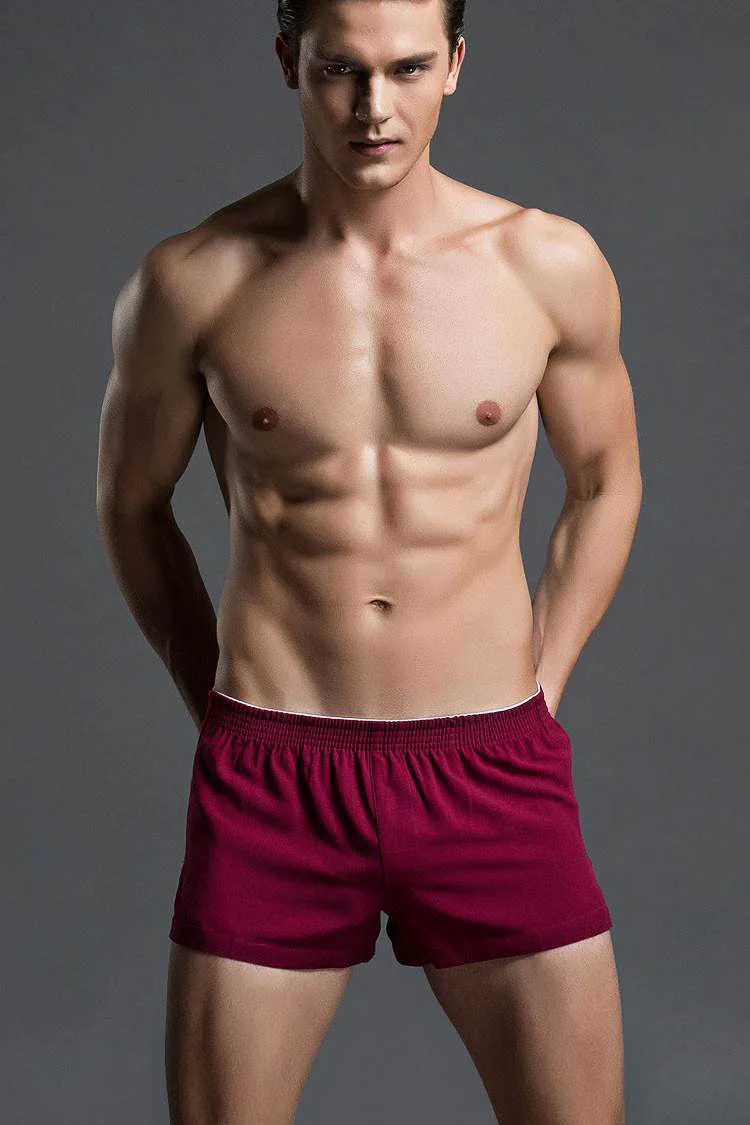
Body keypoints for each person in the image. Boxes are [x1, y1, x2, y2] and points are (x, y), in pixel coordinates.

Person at [96, 0, 642, 1121]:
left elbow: (605, 483)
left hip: (491, 764)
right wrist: (215, 704)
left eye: (406, 69)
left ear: (456, 64)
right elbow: (132, 505)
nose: (374, 107)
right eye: (341, 70)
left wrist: (543, 686)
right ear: (288, 61)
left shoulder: (547, 264)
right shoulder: (194, 280)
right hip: (275, 772)